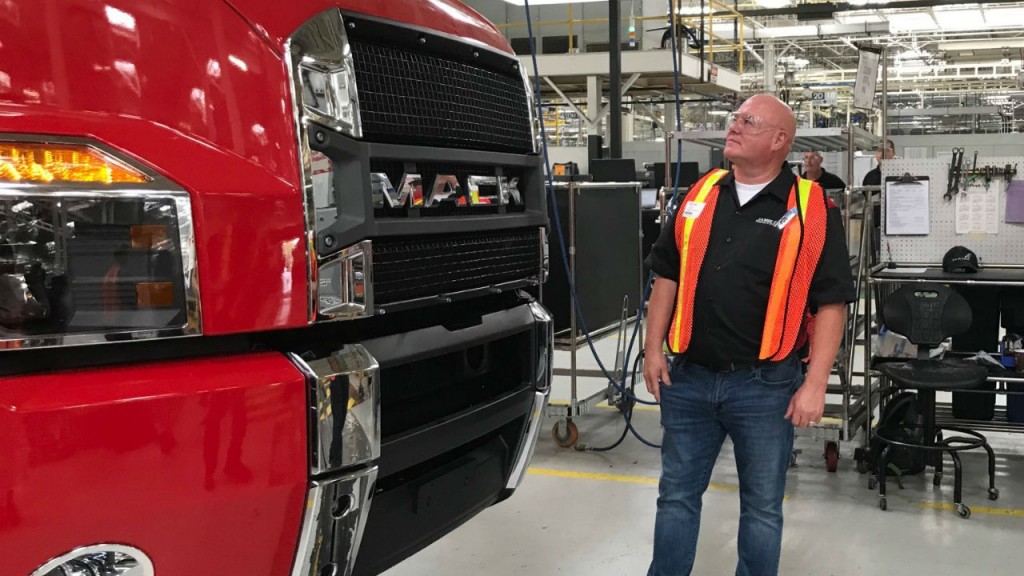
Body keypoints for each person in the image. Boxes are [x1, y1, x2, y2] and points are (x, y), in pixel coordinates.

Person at [643, 94, 856, 576]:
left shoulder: (813, 208)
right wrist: (651, 349)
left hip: (765, 387)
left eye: (747, 121)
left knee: (761, 508)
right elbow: (667, 276)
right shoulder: (699, 194)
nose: (732, 127)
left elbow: (831, 303)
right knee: (675, 497)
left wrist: (816, 383)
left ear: (780, 140)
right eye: (734, 118)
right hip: (689, 379)